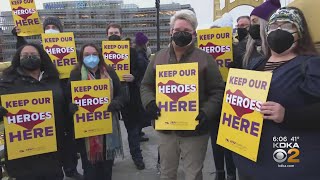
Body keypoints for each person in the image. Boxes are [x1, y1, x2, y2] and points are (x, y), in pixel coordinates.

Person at [234, 7, 320, 180]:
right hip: (251, 159)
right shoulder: (256, 64)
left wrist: (287, 115)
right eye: (274, 26)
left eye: (287, 26)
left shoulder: (311, 64)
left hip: (291, 160)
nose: (278, 31)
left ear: (299, 32)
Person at [140, 9, 225, 180]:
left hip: (195, 131)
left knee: (193, 174)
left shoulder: (205, 58)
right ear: (170, 32)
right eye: (177, 31)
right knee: (166, 173)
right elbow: (146, 85)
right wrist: (149, 102)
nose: (181, 34)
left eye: (186, 31)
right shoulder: (158, 57)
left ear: (194, 33)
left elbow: (217, 91)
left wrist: (206, 112)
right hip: (166, 129)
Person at [12, 16, 82, 179]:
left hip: (66, 94)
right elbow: (24, 58)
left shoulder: (73, 50)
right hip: (46, 97)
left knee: (69, 137)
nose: (51, 28)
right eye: (48, 26)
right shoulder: (39, 51)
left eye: (54, 26)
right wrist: (19, 37)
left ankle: (71, 169)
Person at [0, 43, 67, 179]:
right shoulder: (7, 82)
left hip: (52, 150)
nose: (29, 57)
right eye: (25, 55)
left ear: (42, 57)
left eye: (33, 55)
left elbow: (63, 106)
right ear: (18, 58)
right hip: (23, 154)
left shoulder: (54, 80)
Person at [67, 43, 125, 180]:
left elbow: (121, 94)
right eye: (87, 55)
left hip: (108, 128)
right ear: (81, 57)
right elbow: (68, 97)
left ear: (99, 56)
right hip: (86, 130)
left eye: (94, 54)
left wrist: (116, 103)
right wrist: (71, 106)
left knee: (106, 168)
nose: (91, 57)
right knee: (90, 169)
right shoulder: (75, 74)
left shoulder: (109, 72)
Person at [106, 23, 146, 170]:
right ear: (107, 35)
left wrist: (133, 76)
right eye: (111, 33)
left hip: (129, 95)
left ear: (121, 34)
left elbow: (142, 69)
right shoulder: (101, 53)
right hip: (109, 95)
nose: (113, 35)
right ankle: (109, 158)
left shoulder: (132, 52)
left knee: (133, 130)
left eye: (116, 32)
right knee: (108, 129)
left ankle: (137, 157)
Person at [209, 15, 237, 180]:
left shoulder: (238, 49)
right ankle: (220, 172)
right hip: (213, 99)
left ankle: (231, 173)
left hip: (231, 99)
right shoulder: (202, 53)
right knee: (216, 139)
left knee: (230, 140)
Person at [239, 0, 280, 68]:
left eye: (254, 21)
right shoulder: (247, 47)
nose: (252, 25)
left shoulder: (279, 50)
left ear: (266, 23)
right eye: (251, 22)